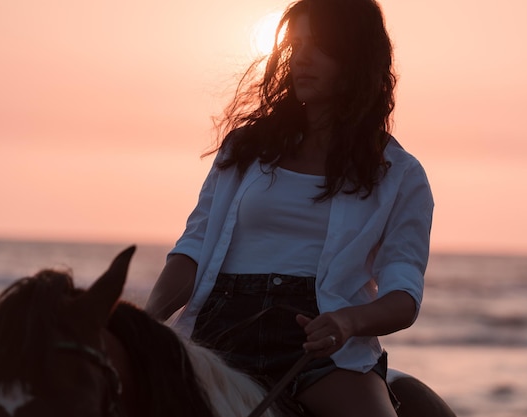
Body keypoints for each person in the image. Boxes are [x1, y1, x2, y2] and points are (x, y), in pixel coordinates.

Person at [145, 0, 433, 415]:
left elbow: (404, 295)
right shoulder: (244, 149)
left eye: (320, 47)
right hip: (218, 331)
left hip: (319, 344)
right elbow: (193, 248)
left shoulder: (399, 174)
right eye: (296, 47)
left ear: (356, 57)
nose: (303, 60)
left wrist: (348, 323)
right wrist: (146, 321)